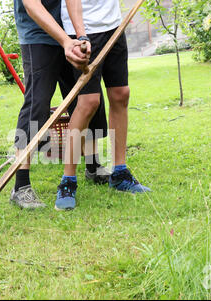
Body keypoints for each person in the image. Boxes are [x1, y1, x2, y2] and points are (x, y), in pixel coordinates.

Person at [10, 0, 110, 210]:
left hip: (70, 33)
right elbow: (32, 6)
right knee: (37, 102)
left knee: (86, 99)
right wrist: (65, 41)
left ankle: (93, 165)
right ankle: (21, 186)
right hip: (37, 36)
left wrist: (79, 36)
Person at [55, 0, 151, 211]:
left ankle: (120, 173)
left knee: (121, 94)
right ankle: (67, 181)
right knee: (89, 101)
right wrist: (81, 35)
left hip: (114, 25)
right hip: (84, 31)